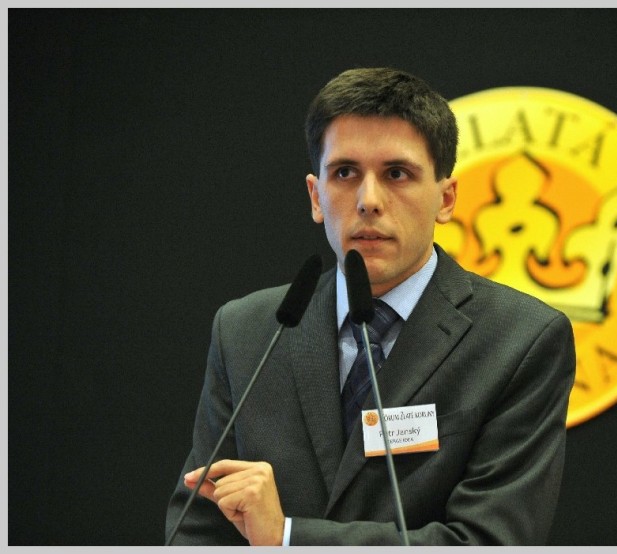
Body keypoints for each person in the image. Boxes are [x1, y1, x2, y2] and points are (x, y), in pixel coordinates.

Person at [165, 67, 576, 546]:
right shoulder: (248, 331)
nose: (369, 201)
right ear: (316, 196)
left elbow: (488, 541)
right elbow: (196, 529)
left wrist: (289, 538)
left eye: (397, 174)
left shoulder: (520, 340)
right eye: (345, 173)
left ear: (446, 199)